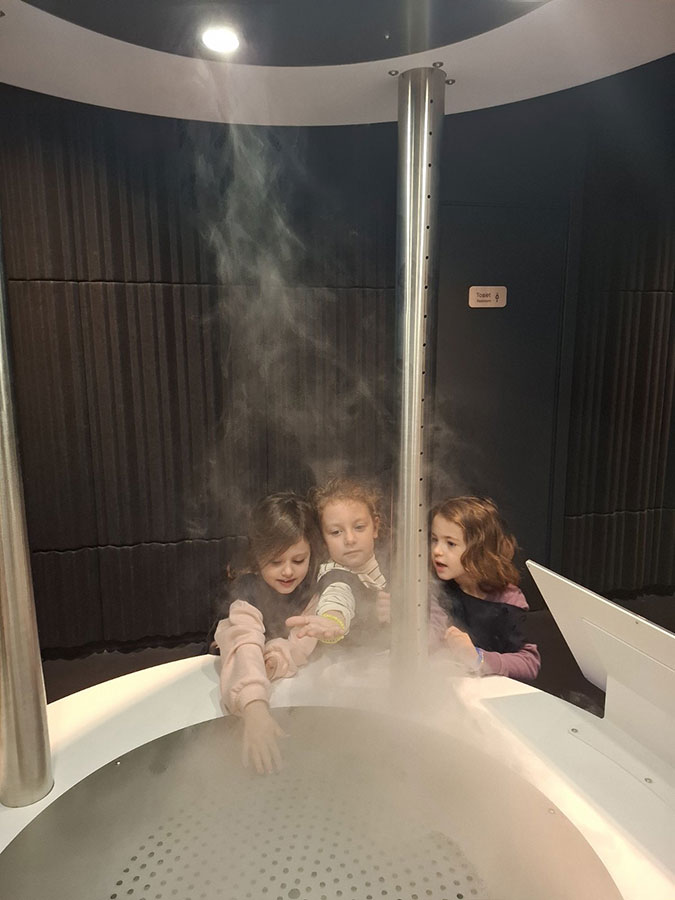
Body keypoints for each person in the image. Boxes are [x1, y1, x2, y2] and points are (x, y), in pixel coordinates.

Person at [214, 492, 323, 774]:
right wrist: (254, 708)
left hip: (277, 678)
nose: (287, 571)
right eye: (275, 562)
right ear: (257, 556)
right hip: (240, 682)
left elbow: (300, 645)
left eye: (298, 560)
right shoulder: (246, 591)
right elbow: (245, 642)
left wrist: (275, 659)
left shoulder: (313, 590)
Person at [430, 496, 540, 680]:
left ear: (479, 550)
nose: (437, 551)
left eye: (450, 543)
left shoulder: (508, 601)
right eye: (434, 540)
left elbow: (530, 664)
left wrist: (478, 658)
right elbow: (430, 635)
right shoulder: (438, 589)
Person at [286, 477, 389, 645]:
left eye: (359, 527)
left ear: (375, 527)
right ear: (323, 539)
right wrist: (333, 621)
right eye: (336, 532)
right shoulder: (333, 575)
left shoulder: (391, 563)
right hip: (347, 660)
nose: (350, 539)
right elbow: (337, 596)